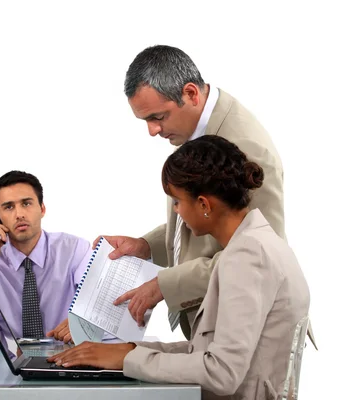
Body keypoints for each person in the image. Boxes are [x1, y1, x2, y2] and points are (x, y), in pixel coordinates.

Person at [48, 135, 310, 400]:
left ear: (204, 205)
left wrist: (128, 358)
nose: (176, 212)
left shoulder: (247, 256)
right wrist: (128, 350)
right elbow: (205, 352)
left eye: (177, 201)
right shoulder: (255, 242)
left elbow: (222, 373)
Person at [102, 44, 286, 339]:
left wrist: (166, 284)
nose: (152, 131)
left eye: (158, 117)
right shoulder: (196, 129)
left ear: (190, 93)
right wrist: (146, 246)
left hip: (252, 335)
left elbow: (261, 256)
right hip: (219, 325)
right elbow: (206, 216)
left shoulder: (248, 149)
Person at [0, 170, 90, 344]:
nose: (19, 214)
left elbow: (98, 306)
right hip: (8, 366)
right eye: (8, 207)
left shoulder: (75, 250)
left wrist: (82, 321)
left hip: (64, 360)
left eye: (26, 203)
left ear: (42, 209)